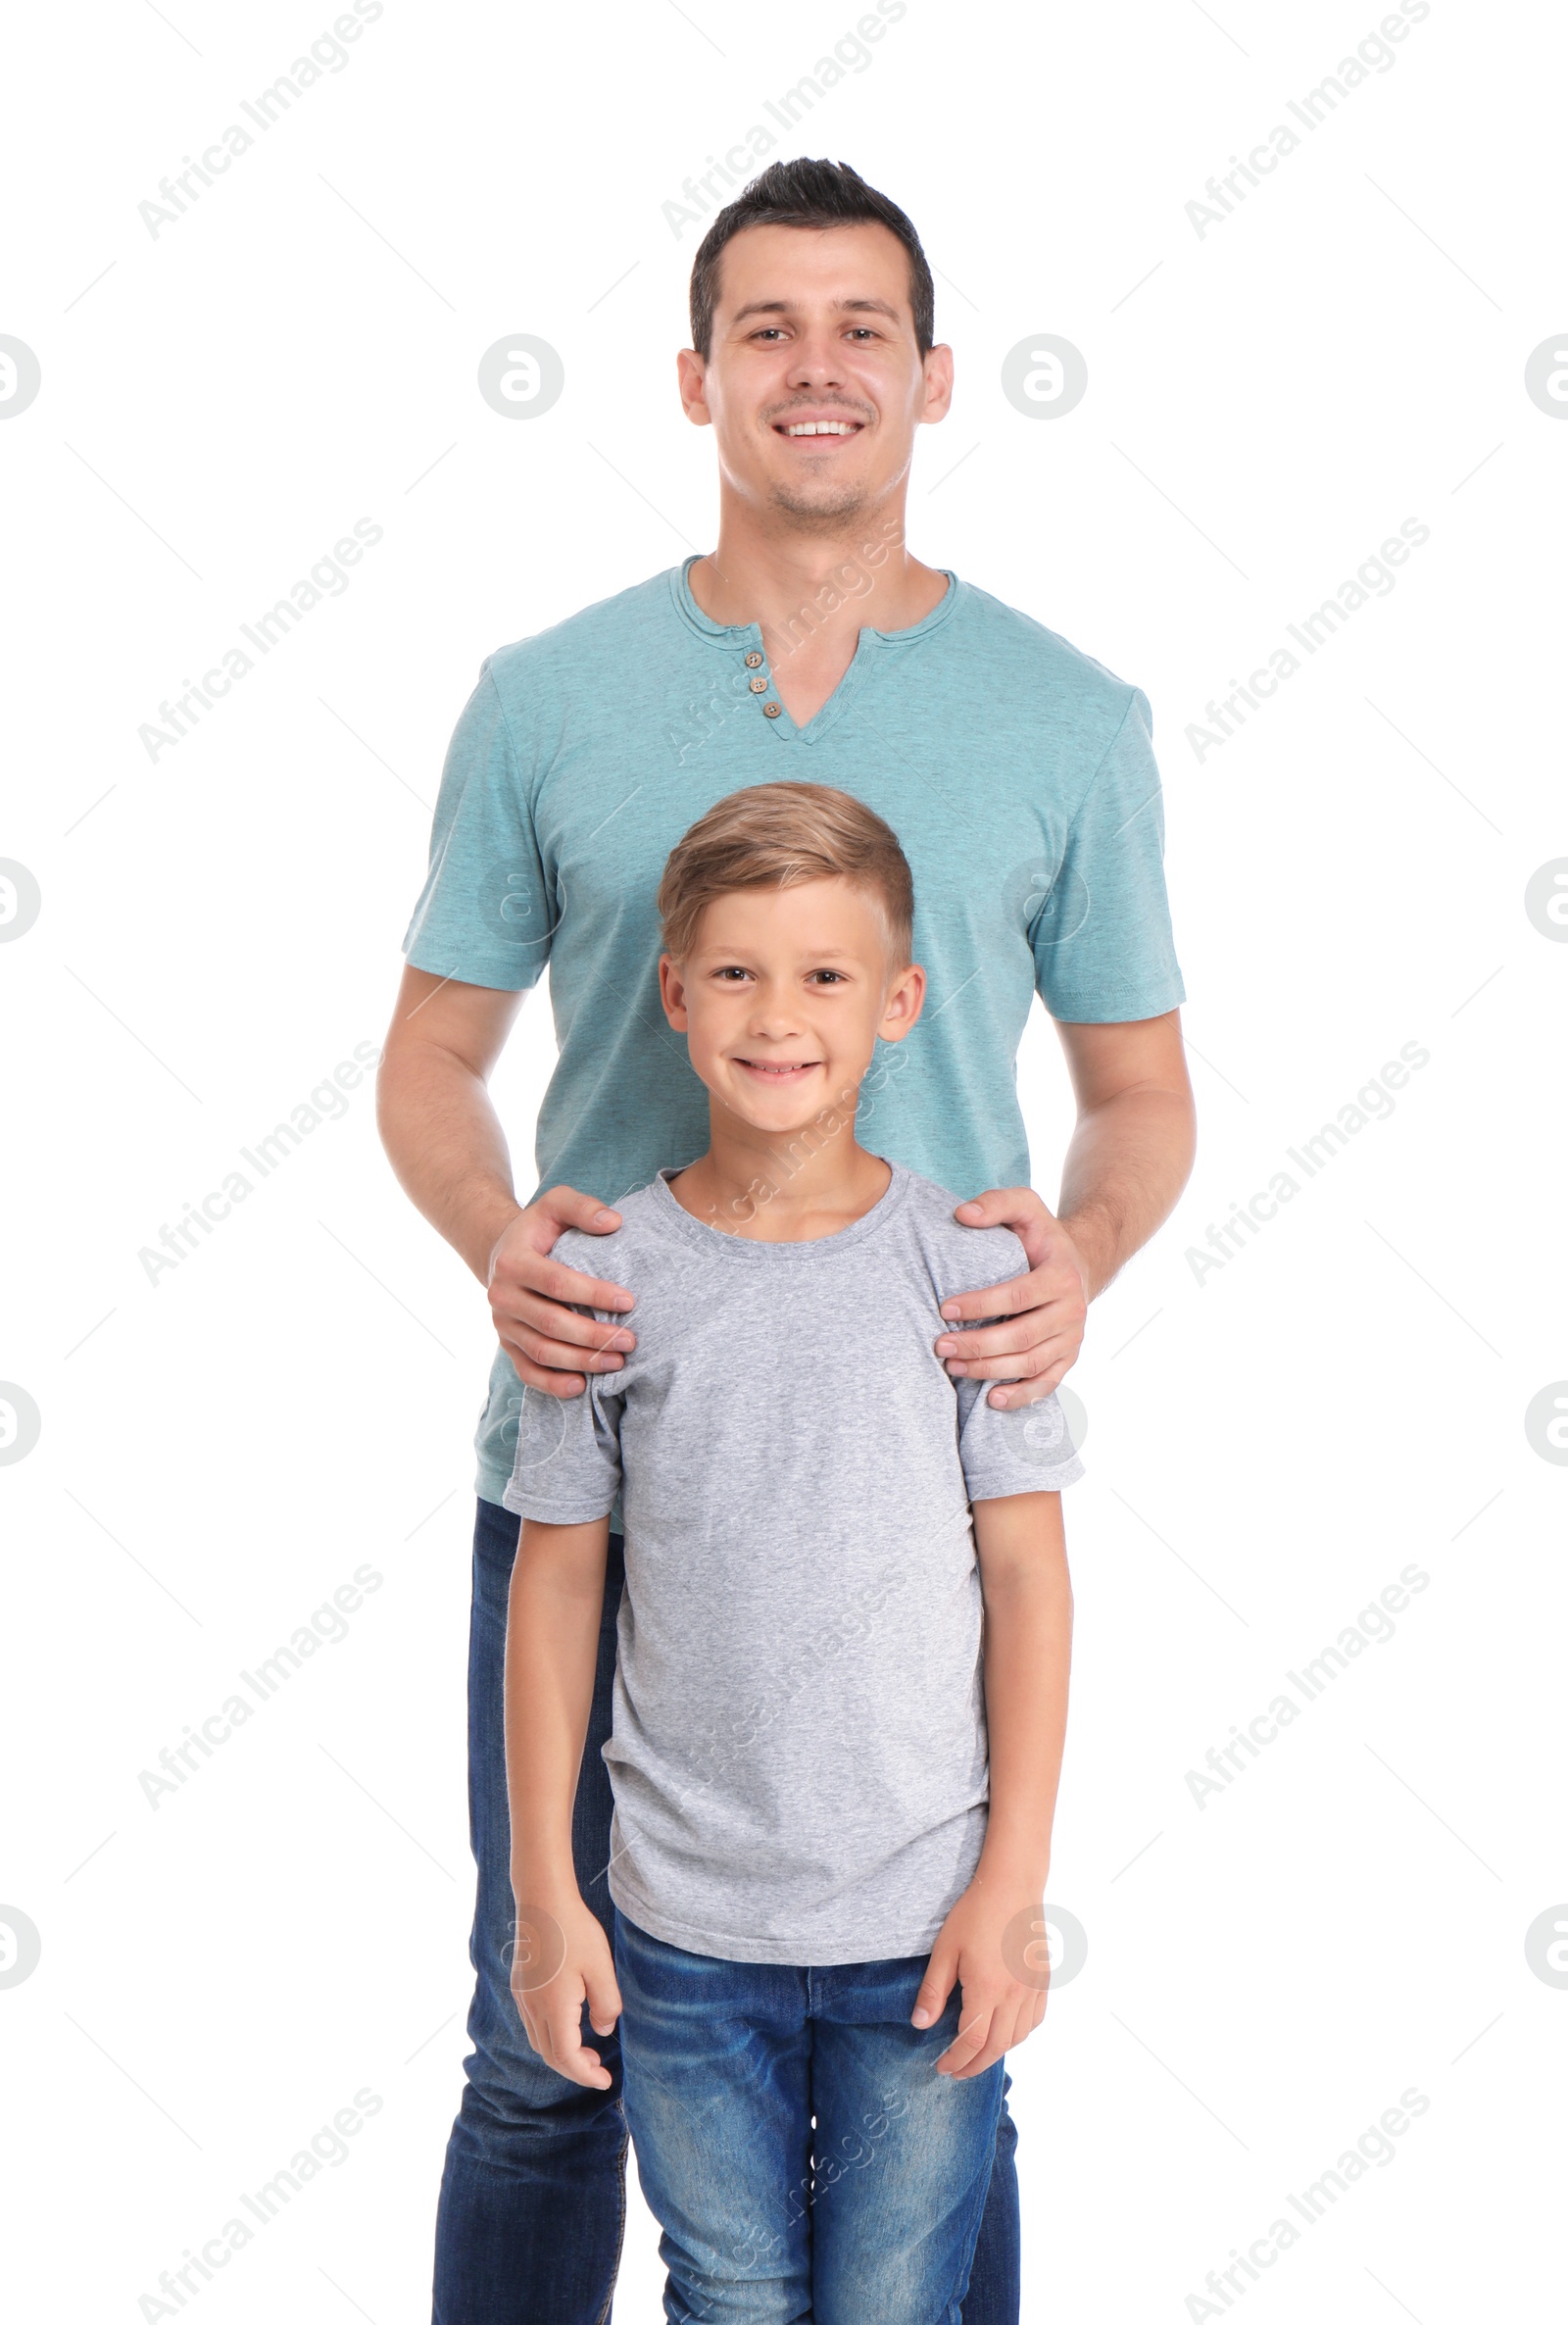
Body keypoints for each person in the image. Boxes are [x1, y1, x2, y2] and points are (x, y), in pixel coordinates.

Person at [377, 156, 1195, 2325]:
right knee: (543, 2052)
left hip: (919, 1496)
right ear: (693, 375)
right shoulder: (547, 700)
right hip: (600, 1463)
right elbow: (426, 1068)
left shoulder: (1067, 721)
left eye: (859, 331)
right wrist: (501, 1246)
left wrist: (1077, 1260)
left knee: (953, 2038)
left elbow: (1139, 1099)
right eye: (766, 328)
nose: (813, 368)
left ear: (931, 381)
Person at [502, 782, 1082, 2324]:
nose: (780, 1016)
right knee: (734, 2295)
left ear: (898, 1002)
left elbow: (1027, 1580)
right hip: (682, 1926)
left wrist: (1012, 1875)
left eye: (826, 975)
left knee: (898, 2301)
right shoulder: (602, 1276)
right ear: (676, 995)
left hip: (922, 1912)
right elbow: (556, 1582)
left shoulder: (970, 1270)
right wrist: (551, 1905)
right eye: (741, 973)